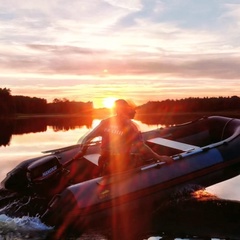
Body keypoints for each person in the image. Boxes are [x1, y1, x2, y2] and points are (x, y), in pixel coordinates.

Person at [75, 99, 173, 175]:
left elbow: (87, 138)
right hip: (122, 164)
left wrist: (83, 150)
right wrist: (159, 157)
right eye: (131, 109)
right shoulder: (131, 127)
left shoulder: (105, 122)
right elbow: (141, 147)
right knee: (143, 158)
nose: (134, 111)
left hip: (104, 161)